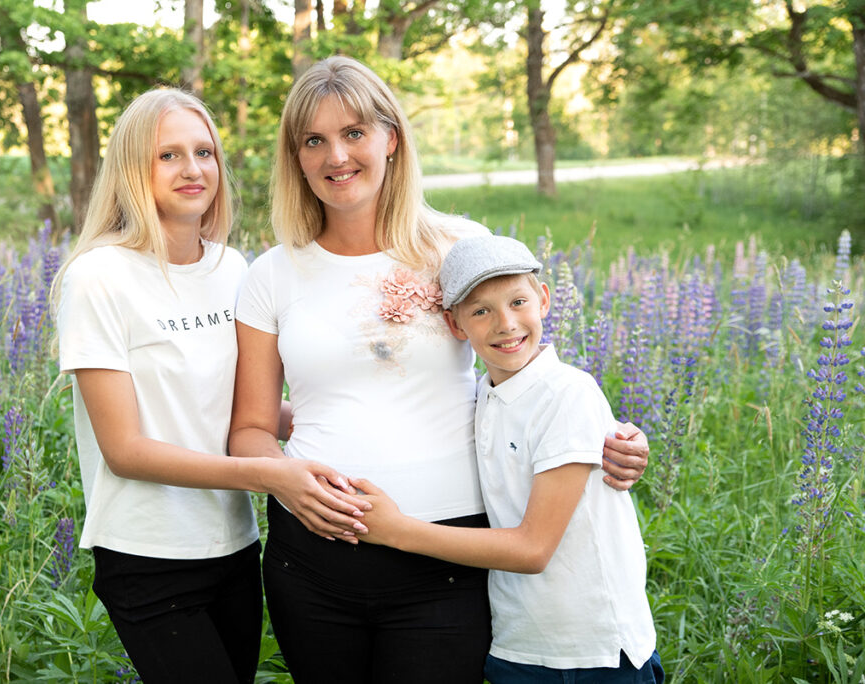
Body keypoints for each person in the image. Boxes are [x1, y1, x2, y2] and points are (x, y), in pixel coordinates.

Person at [228, 56, 650, 684]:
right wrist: (287, 481)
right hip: (313, 558)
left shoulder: (457, 247)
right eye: (313, 140)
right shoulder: (270, 274)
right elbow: (250, 429)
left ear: (391, 138)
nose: (336, 156)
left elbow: (524, 371)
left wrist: (606, 435)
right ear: (296, 158)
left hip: (448, 554)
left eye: (353, 133)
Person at [52, 88, 369, 684]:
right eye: (168, 155)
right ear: (132, 169)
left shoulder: (231, 268)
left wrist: (348, 415)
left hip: (233, 545)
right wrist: (271, 475)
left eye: (204, 152)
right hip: (148, 552)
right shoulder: (99, 277)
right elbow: (125, 451)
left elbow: (238, 407)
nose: (192, 169)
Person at [353, 234, 664, 684]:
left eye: (518, 302)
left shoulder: (568, 393)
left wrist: (398, 531)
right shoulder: (483, 396)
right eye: (481, 311)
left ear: (544, 300)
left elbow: (534, 549)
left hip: (594, 651)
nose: (506, 323)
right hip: (518, 644)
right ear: (455, 324)